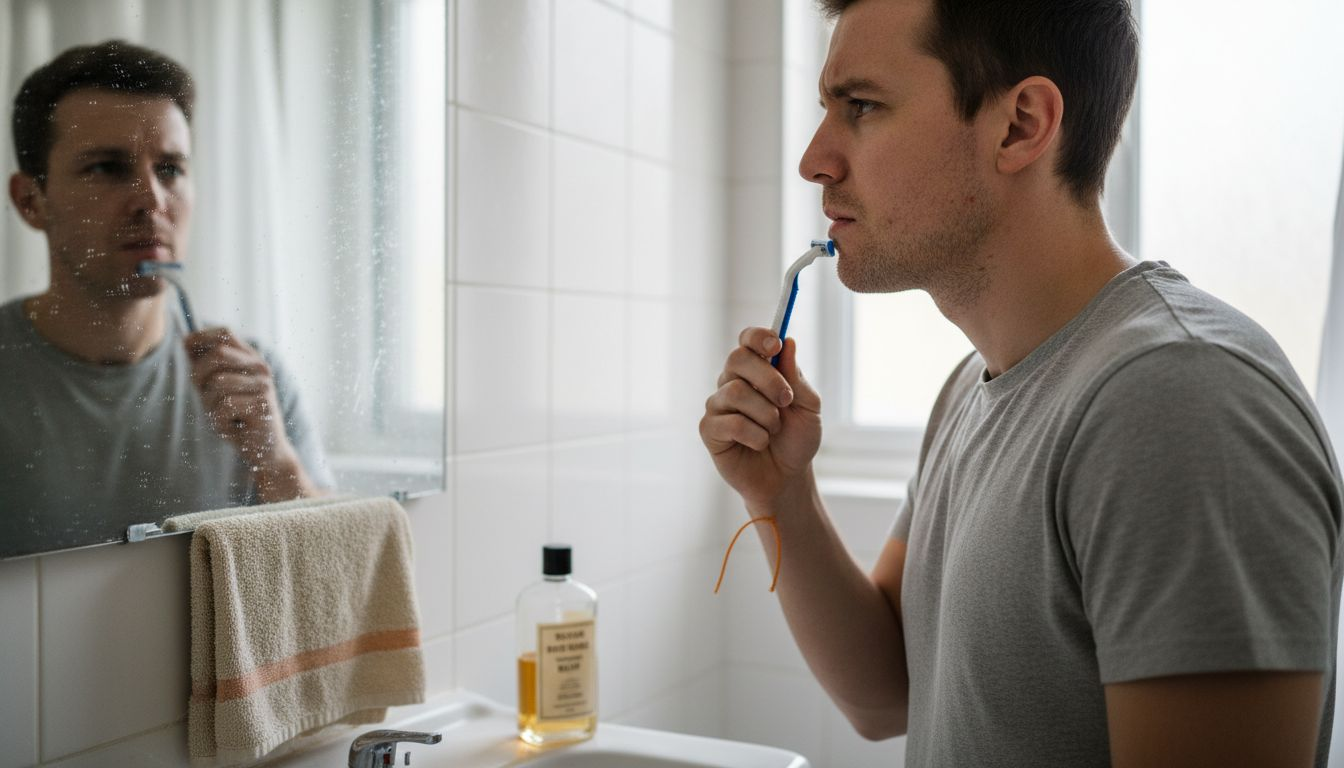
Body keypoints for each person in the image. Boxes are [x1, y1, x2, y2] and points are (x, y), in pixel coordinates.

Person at [700, 0, 1343, 765]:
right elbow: (884, 697)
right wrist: (782, 496)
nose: (814, 158)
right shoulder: (971, 389)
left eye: (862, 106)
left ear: (1021, 125)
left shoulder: (1181, 400)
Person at [1, 41, 331, 557]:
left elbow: (333, 581)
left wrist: (277, 462)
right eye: (108, 168)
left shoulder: (252, 380)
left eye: (171, 169)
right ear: (30, 201)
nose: (152, 200)